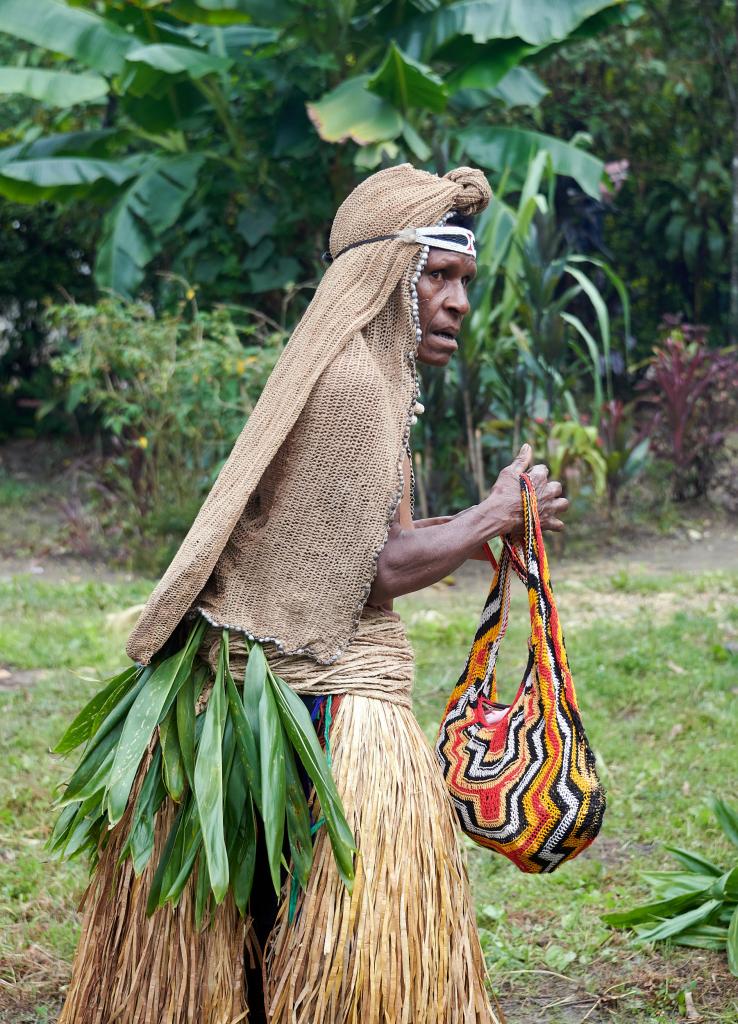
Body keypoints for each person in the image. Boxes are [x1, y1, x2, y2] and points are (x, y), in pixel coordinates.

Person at [57, 163, 568, 1024]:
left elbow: (357, 540)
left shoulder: (361, 372)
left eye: (464, 282)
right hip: (314, 703)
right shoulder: (354, 387)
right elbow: (375, 573)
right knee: (318, 927)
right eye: (436, 276)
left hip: (261, 689)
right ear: (384, 275)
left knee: (258, 923)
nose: (456, 303)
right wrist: (491, 514)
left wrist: (487, 521)